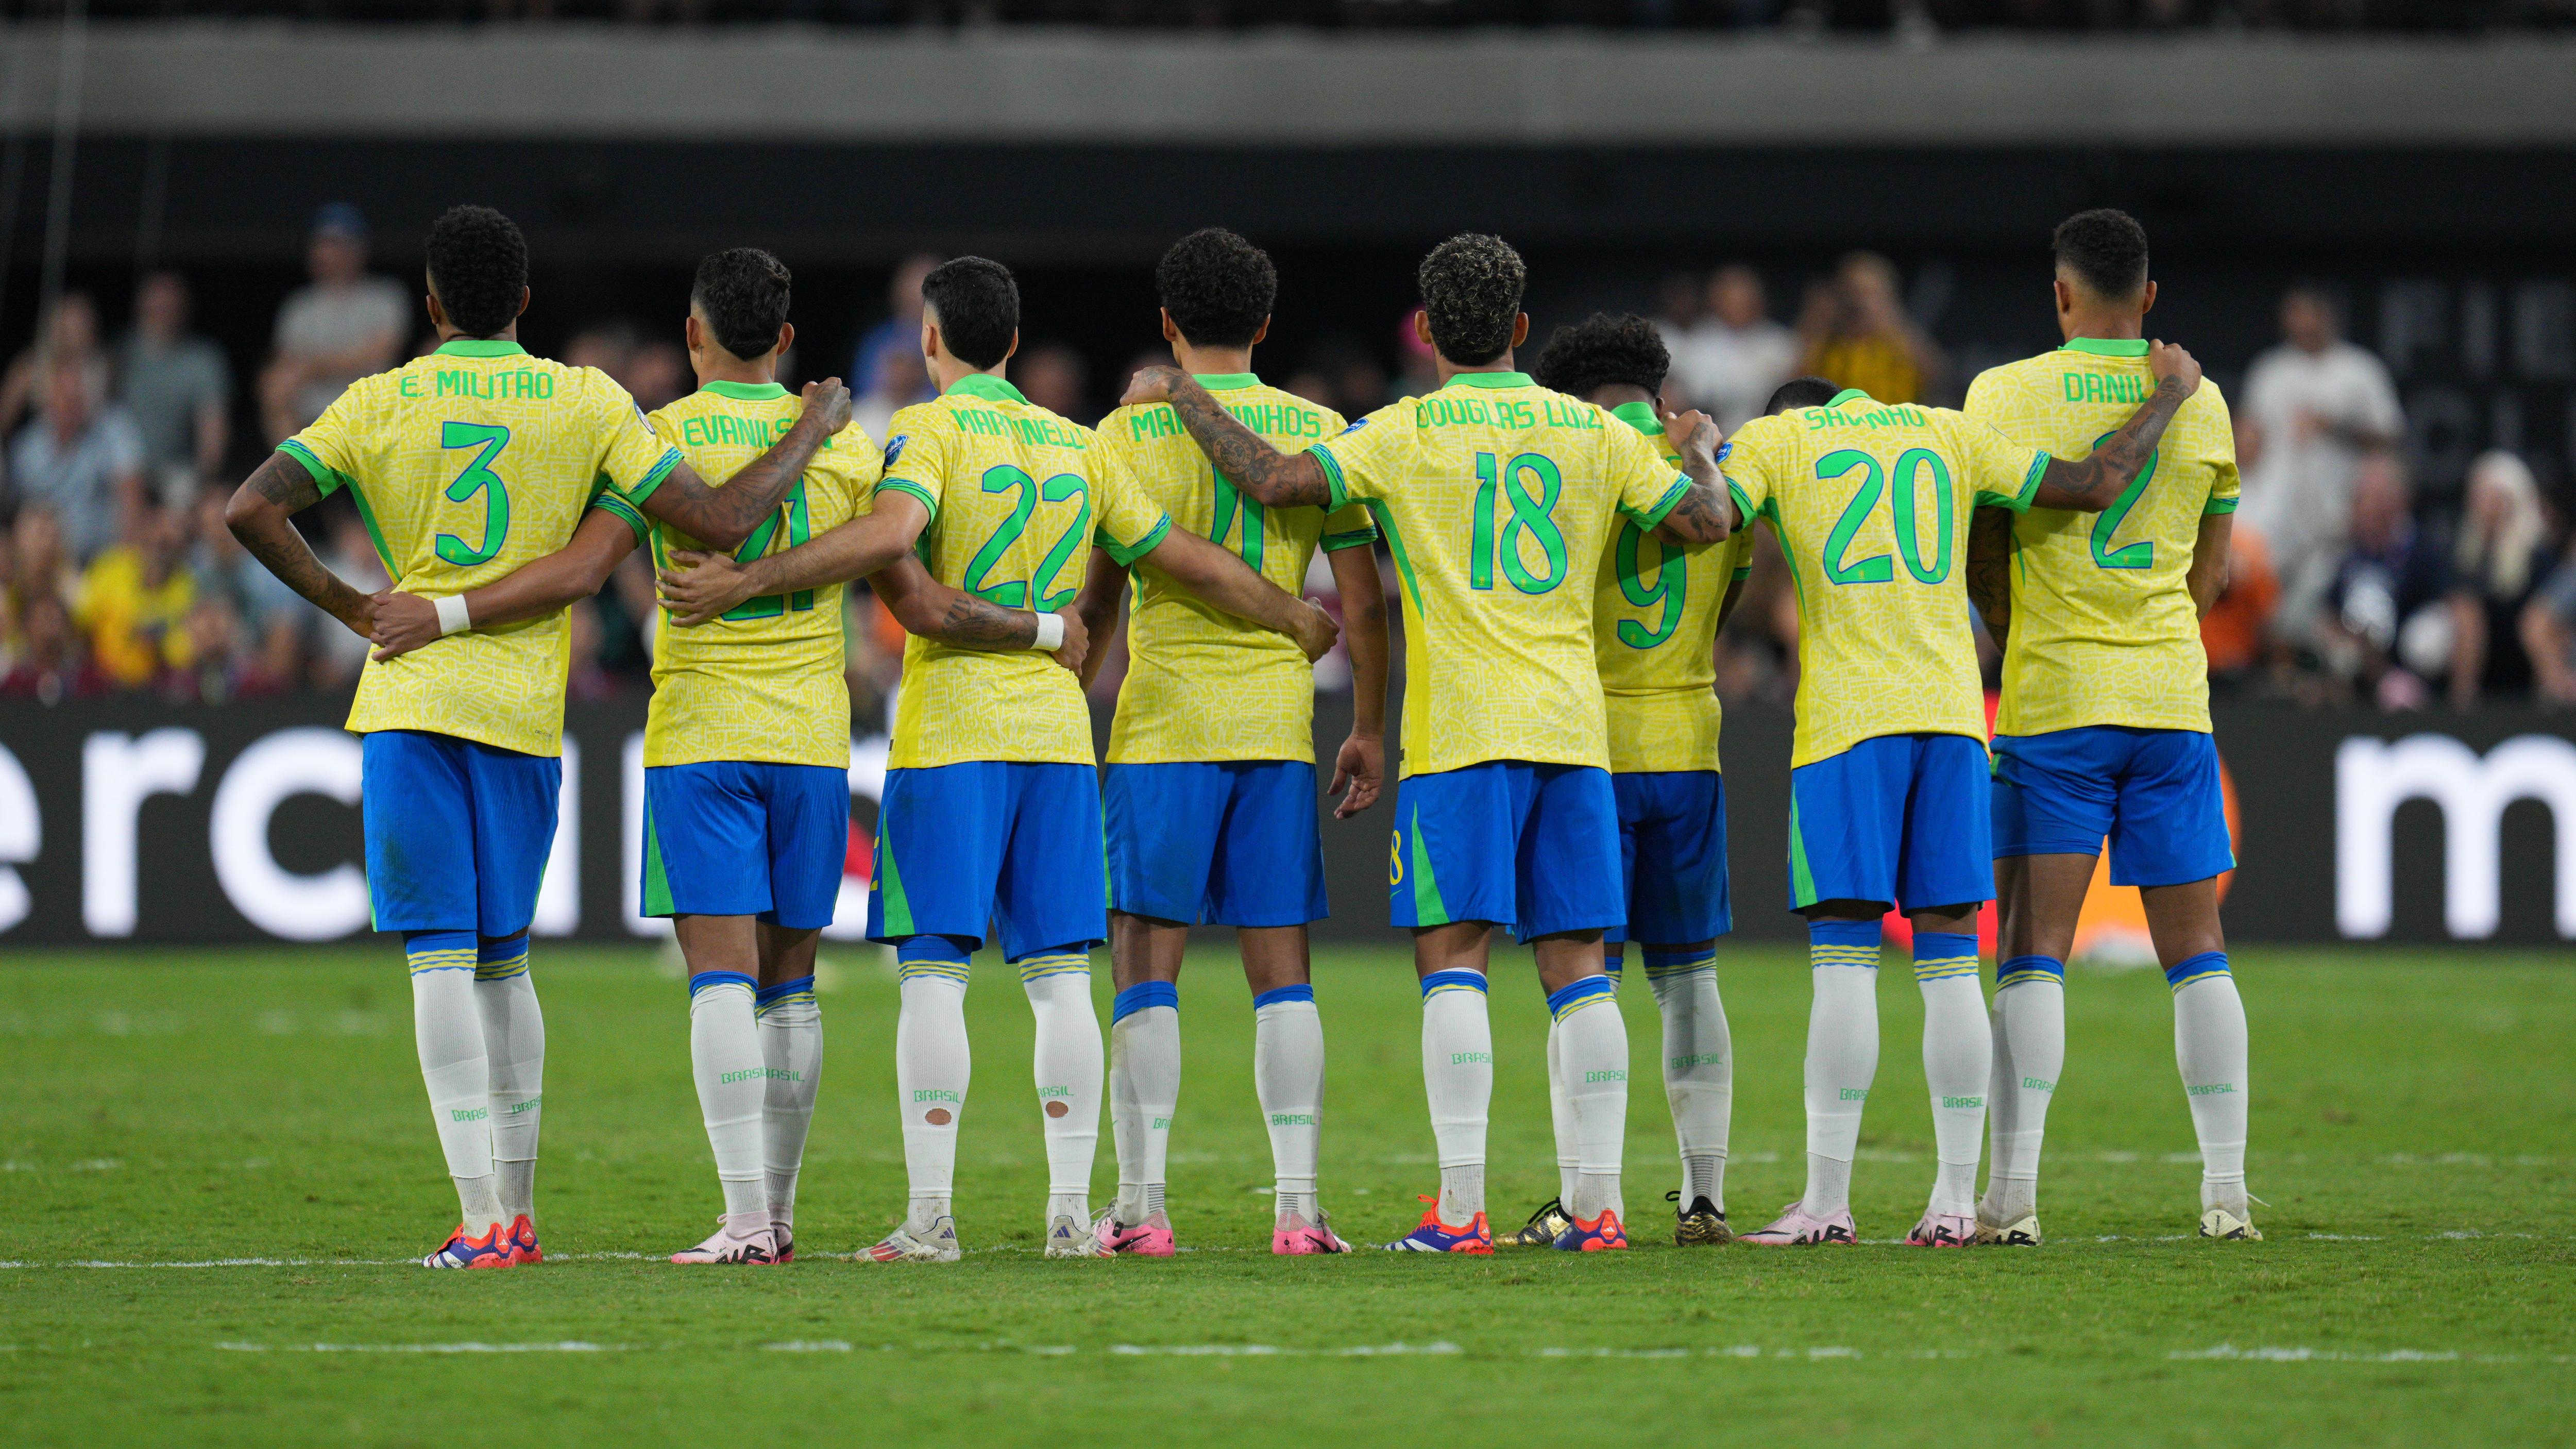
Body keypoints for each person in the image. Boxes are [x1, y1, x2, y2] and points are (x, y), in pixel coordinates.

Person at [367, 246, 1063, 1267]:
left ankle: (743, 1218)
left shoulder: (658, 438)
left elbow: (592, 563)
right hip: (814, 741)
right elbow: (910, 597)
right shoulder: (850, 450)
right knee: (792, 986)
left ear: (693, 336)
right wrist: (1043, 631)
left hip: (702, 738)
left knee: (721, 984)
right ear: (785, 340)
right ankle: (774, 1219)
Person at [654, 255, 1338, 1263]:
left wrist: (747, 577)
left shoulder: (923, 433)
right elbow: (1170, 554)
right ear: (1014, 344)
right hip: (1058, 742)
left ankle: (931, 1218)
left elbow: (893, 547)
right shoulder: (1078, 445)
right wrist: (1289, 611)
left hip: (953, 734)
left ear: (930, 341)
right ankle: (1071, 1215)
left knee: (935, 972)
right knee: (1059, 974)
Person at [224, 204, 862, 1272]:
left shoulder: (381, 399)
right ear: (525, 301)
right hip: (527, 716)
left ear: (428, 306)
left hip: (416, 702)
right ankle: (516, 1209)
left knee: (441, 963)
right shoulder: (587, 399)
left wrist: (357, 604)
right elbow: (692, 529)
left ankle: (488, 1221)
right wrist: (812, 427)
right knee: (505, 966)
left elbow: (251, 508)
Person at [1119, 233, 1739, 1255]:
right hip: (1573, 732)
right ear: (1522, 330)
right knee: (1579, 962)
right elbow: (1708, 521)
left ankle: (1461, 1210)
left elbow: (1275, 480)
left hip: (1459, 734)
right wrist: (1701, 445)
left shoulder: (1400, 431)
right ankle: (1597, 1209)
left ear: (1426, 330)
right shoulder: (1590, 433)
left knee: (1454, 961)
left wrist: (1185, 396)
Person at [1717, 328, 2201, 1250]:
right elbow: (2096, 482)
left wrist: (1697, 442)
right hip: (1949, 725)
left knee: (1846, 959)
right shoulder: (1949, 431)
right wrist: (2170, 394)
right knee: (1949, 965)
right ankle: (1951, 1201)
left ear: (1795, 415)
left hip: (1847, 728)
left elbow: (1706, 512)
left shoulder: (1782, 438)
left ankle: (1826, 1202)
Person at [1068, 228, 1391, 1259]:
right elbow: (1363, 600)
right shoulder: (1317, 431)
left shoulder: (1121, 434)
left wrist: (1073, 692)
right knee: (1282, 972)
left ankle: (1141, 1205)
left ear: (1166, 323)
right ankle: (1297, 1208)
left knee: (1144, 967)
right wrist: (1369, 725)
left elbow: (1104, 593)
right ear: (1265, 323)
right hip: (1276, 728)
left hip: (1163, 724)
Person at [1961, 208, 2257, 1244]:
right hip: (2172, 702)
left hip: (2055, 706)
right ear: (2150, 298)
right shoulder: (2204, 400)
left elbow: (1984, 551)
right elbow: (2212, 573)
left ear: (2058, 293)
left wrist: (2024, 629)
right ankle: (2224, 1191)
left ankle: (2016, 1196)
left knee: (2034, 947)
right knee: (2197, 950)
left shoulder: (2003, 393)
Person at [1518, 312, 1755, 1249]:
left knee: (1584, 983)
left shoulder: (1566, 459)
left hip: (1590, 749)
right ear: (1658, 394)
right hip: (1688, 740)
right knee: (1690, 979)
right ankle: (1705, 1196)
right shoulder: (1713, 466)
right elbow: (1731, 568)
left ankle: (1589, 1198)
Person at [2236, 286, 2403, 655]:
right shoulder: (2271, 371)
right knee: (2269, 609)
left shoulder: (2359, 370)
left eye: (2308, 315)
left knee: (2318, 613)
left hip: (2339, 517)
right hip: (2279, 515)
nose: (2300, 325)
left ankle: (2333, 686)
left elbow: (2391, 437)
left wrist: (2337, 425)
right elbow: (2249, 436)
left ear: (2326, 317)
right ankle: (2278, 681)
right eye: (2293, 317)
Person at [2317, 451, 2472, 710]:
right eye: (2362, 498)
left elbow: (2464, 611)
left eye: (2376, 498)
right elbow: (2329, 614)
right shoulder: (2351, 556)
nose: (2366, 507)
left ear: (2398, 501)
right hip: (2368, 674)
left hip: (2420, 674)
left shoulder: (2423, 551)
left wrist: (2463, 692)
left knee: (2427, 636)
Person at [258, 204, 409, 444]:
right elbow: (287, 365)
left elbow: (379, 354)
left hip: (369, 416)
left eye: (337, 244)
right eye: (321, 244)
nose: (326, 253)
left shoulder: (385, 297)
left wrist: (312, 369)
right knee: (272, 385)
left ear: (359, 249)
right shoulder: (299, 305)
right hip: (312, 418)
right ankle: (298, 470)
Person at [9, 361, 147, 563]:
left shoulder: (112, 431)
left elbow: (131, 498)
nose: (70, 405)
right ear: (47, 400)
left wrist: (127, 561)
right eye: (63, 397)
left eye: (77, 399)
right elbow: (20, 516)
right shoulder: (27, 448)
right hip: (49, 565)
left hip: (103, 560)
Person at [2449, 449, 2553, 705]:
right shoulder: (2464, 556)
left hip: (2523, 670)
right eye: (2479, 496)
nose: (2483, 506)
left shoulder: (2538, 558)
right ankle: (2461, 701)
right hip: (2481, 673)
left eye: (2492, 497)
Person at [118, 273, 232, 501]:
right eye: (155, 309)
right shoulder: (120, 355)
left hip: (176, 472)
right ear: (141, 309)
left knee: (189, 496)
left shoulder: (202, 360)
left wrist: (203, 481)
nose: (162, 316)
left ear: (184, 311)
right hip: (122, 470)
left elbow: (212, 438)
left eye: (169, 308)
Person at [74, 500, 196, 688]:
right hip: (101, 684)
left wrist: (158, 643)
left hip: (158, 688)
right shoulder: (109, 568)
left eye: (168, 544)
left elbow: (184, 654)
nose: (159, 550)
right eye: (157, 540)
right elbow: (80, 624)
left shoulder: (187, 587)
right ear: (144, 534)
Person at [1799, 252, 1944, 407]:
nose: (1861, 303)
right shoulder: (1827, 347)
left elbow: (1940, 379)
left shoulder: (1902, 344)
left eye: (1870, 294)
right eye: (1852, 293)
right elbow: (1795, 390)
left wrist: (1896, 326)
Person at [1677, 265, 1800, 433]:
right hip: (1711, 439)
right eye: (1729, 298)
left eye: (1744, 298)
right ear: (1715, 301)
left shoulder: (1780, 343)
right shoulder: (1697, 342)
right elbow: (1686, 399)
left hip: (1770, 436)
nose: (1737, 304)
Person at [849, 251, 941, 409]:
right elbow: (863, 392)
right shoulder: (878, 341)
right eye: (911, 300)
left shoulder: (955, 342)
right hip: (886, 418)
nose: (917, 307)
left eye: (924, 301)